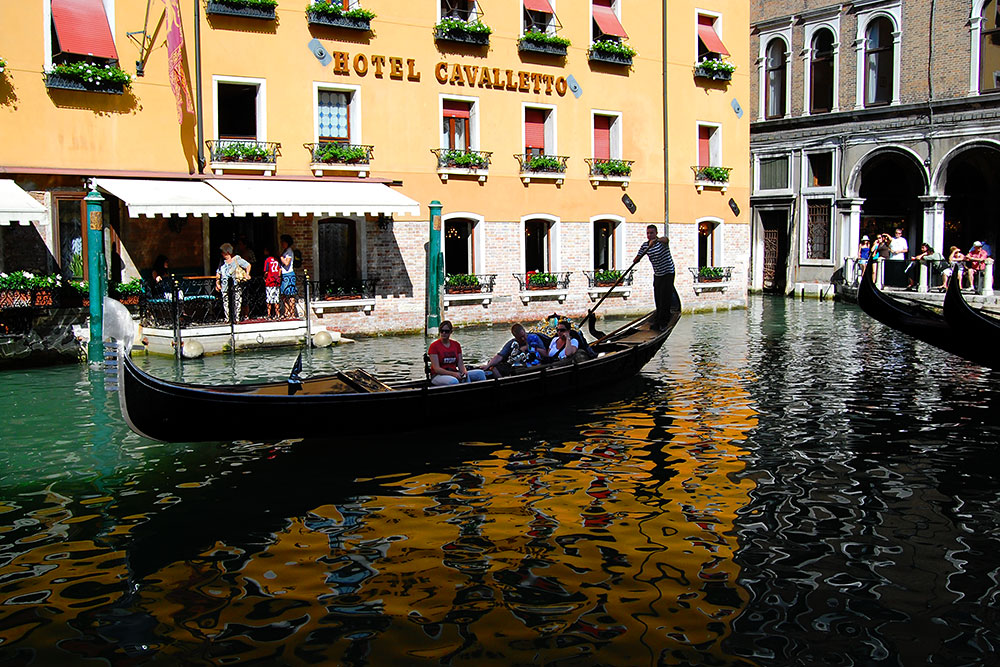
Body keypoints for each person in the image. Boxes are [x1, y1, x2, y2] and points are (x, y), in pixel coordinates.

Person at [634, 224, 679, 331]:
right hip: (658, 274)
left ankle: (664, 322)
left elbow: (666, 239)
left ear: (656, 233)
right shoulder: (645, 246)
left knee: (665, 298)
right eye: (648, 233)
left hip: (668, 272)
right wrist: (637, 258)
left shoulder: (662, 242)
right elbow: (637, 259)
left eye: (651, 233)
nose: (649, 235)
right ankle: (658, 320)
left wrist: (656, 241)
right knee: (658, 297)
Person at [428, 320, 487, 386]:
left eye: (446, 331)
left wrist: (464, 372)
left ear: (451, 332)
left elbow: (460, 364)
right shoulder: (434, 346)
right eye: (442, 331)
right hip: (438, 376)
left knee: (480, 373)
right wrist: (454, 374)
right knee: (453, 381)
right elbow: (437, 369)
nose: (444, 333)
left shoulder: (456, 345)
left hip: (454, 372)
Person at [481, 323, 547, 377]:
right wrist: (488, 365)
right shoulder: (512, 343)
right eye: (520, 338)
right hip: (518, 367)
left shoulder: (535, 338)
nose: (523, 339)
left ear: (524, 331)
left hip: (535, 365)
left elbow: (545, 353)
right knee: (494, 368)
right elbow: (500, 355)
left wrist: (528, 348)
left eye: (523, 336)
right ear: (515, 337)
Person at [215, 242, 251, 322]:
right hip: (225, 285)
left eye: (223, 252)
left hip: (235, 285)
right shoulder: (222, 262)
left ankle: (236, 317)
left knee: (237, 300)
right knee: (225, 301)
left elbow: (248, 265)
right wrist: (217, 283)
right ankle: (227, 318)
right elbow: (218, 272)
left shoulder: (237, 259)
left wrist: (247, 274)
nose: (222, 254)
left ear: (227, 252)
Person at [279, 234, 297, 319]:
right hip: (284, 274)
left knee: (290, 294)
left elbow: (287, 263)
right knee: (284, 295)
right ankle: (287, 311)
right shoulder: (285, 251)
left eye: (283, 242)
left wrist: (281, 257)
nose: (282, 243)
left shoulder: (289, 252)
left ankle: (292, 312)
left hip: (289, 275)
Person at [263, 247, 281, 319]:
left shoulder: (267, 260)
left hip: (269, 281)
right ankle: (278, 314)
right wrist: (278, 277)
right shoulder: (277, 260)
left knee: (269, 298)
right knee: (276, 298)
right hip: (276, 281)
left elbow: (266, 271)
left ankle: (269, 314)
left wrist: (264, 277)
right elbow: (280, 270)